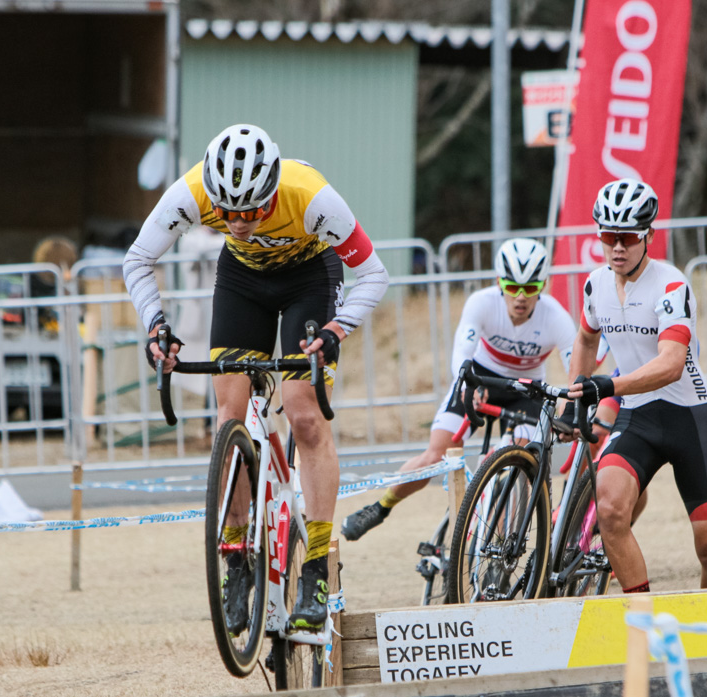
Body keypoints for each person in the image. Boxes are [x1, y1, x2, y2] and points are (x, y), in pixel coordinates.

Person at [123, 124, 389, 631]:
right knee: (230, 414)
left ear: (271, 192)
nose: (240, 222)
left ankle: (314, 563)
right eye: (228, 213)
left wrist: (335, 330)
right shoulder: (193, 192)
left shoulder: (311, 198)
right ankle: (236, 557)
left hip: (309, 277)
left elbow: (374, 275)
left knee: (304, 411)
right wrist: (157, 324)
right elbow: (138, 260)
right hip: (243, 282)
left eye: (252, 211)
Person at [340, 237, 577, 542]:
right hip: (480, 377)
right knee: (436, 454)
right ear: (498, 282)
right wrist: (467, 385)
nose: (520, 297)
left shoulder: (555, 317)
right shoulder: (482, 302)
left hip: (524, 389)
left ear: (542, 286)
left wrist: (570, 408)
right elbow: (462, 353)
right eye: (512, 286)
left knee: (521, 464)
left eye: (530, 288)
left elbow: (575, 369)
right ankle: (381, 506)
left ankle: (499, 548)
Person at [566, 179, 707, 593]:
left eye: (627, 238)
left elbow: (671, 364)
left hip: (689, 417)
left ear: (648, 236)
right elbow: (586, 339)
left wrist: (607, 386)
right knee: (610, 510)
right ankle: (643, 621)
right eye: (608, 236)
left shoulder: (671, 285)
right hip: (637, 417)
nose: (617, 247)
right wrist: (575, 393)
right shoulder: (596, 285)